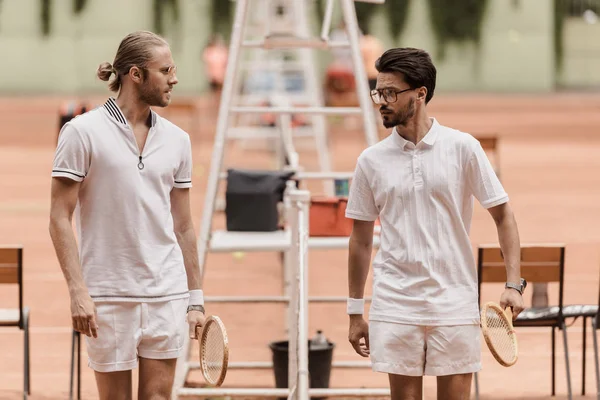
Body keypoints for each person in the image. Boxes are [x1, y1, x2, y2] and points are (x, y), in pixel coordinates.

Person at [345, 47, 526, 400]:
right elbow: (361, 240)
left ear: (420, 93)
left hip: (455, 303)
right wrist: (354, 312)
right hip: (395, 304)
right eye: (377, 92)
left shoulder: (463, 148)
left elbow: (503, 215)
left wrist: (513, 284)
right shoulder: (370, 161)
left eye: (390, 93)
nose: (381, 101)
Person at [49, 31, 205, 400]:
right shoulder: (81, 133)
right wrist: (77, 291)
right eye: (166, 70)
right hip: (108, 295)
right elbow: (59, 217)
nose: (174, 78)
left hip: (165, 293)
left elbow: (183, 226)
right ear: (136, 75)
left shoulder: (178, 140)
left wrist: (195, 297)